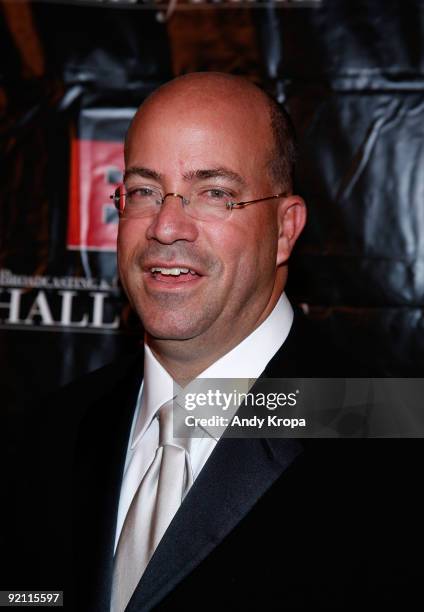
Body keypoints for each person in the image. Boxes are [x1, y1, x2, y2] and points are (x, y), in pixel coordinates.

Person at [13, 73, 423, 611]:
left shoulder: (392, 446)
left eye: (214, 193)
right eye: (143, 191)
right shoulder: (43, 436)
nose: (165, 226)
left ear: (284, 229)